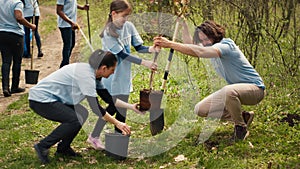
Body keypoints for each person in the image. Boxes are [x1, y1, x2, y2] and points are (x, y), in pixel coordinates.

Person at [154, 20, 265, 141]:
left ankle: (241, 128)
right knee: (201, 109)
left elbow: (200, 52)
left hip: (255, 90)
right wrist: (184, 26)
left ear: (215, 34)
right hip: (236, 90)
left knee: (228, 91)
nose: (204, 43)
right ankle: (243, 117)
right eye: (201, 40)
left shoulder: (226, 45)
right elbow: (191, 45)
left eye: (206, 39)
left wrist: (170, 44)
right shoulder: (210, 46)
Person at [29, 49, 131, 164]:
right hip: (40, 100)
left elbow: (107, 98)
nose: (113, 73)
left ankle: (63, 148)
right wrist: (117, 123)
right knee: (74, 119)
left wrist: (131, 106)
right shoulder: (86, 76)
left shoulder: (94, 74)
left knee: (81, 113)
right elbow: (95, 107)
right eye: (112, 70)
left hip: (52, 99)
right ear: (103, 68)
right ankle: (43, 146)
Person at [87, 0, 159, 149]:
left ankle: (113, 141)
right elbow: (122, 55)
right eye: (123, 15)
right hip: (112, 77)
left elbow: (138, 47)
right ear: (114, 14)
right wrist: (145, 63)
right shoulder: (108, 33)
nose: (125, 19)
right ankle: (107, 140)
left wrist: (151, 49)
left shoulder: (129, 27)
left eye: (127, 16)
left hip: (124, 76)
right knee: (115, 108)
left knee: (118, 109)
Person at [0, 0, 36, 97]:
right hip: (16, 34)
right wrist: (31, 25)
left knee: (6, 61)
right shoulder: (16, 2)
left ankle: (5, 87)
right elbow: (19, 17)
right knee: (17, 61)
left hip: (2, 34)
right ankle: (14, 87)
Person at [56, 0, 89, 68]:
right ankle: (65, 65)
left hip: (71, 24)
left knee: (72, 43)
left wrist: (82, 7)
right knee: (68, 45)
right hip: (65, 24)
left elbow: (73, 4)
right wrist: (71, 22)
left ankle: (64, 64)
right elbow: (59, 11)